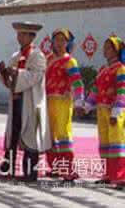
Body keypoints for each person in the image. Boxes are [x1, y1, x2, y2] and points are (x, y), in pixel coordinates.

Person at [0, 21, 51, 182]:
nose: (19, 37)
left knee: (30, 135)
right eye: (19, 34)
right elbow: (11, 80)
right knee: (13, 134)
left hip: (31, 101)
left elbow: (34, 76)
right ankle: (10, 168)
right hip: (17, 100)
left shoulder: (37, 55)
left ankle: (30, 172)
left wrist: (16, 73)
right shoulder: (16, 55)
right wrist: (4, 74)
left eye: (23, 34)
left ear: (31, 36)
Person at [78, 36, 125, 188]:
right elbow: (95, 91)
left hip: (114, 111)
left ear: (117, 50)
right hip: (101, 110)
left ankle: (120, 177)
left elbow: (122, 91)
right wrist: (85, 107)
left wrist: (116, 113)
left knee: (117, 144)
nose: (106, 50)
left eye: (109, 47)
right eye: (105, 47)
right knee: (104, 144)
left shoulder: (121, 69)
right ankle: (107, 174)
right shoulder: (103, 70)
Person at [45, 29, 84, 181]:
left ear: (68, 43)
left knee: (63, 134)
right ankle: (55, 167)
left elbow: (78, 83)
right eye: (57, 39)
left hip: (62, 101)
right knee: (49, 135)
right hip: (48, 101)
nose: (60, 43)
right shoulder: (47, 59)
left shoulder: (70, 61)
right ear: (52, 42)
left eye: (63, 40)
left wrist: (80, 102)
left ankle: (67, 169)